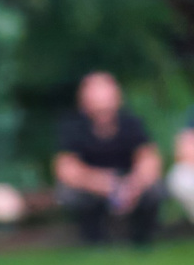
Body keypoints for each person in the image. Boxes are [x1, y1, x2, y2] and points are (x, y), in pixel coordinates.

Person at [53, 71, 161, 248]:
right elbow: (66, 169)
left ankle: (142, 238)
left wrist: (134, 183)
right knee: (69, 194)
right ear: (84, 102)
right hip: (91, 183)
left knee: (155, 189)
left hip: (128, 180)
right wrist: (106, 185)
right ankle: (93, 238)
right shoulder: (72, 126)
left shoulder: (132, 123)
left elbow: (149, 159)